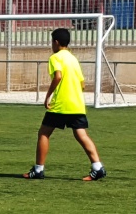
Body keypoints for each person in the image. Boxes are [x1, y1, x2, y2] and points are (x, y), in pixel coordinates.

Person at [22, 28, 106, 181]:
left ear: (56, 42)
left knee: (44, 133)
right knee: (81, 135)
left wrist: (48, 96)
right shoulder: (73, 59)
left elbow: (58, 76)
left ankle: (38, 169)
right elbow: (82, 84)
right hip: (77, 104)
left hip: (61, 104)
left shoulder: (55, 58)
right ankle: (97, 167)